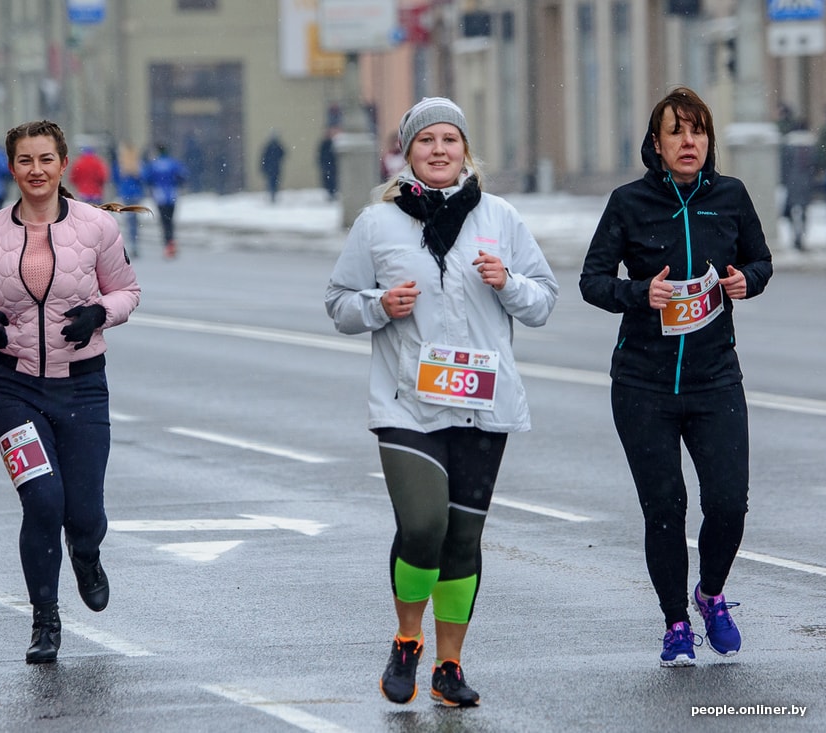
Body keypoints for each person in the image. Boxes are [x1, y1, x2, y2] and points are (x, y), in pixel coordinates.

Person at [325, 98, 558, 707]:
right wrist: (379, 305)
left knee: (463, 539)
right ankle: (408, 640)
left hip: (484, 401)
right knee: (424, 525)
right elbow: (339, 304)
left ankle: (449, 665)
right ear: (408, 153)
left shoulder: (500, 217)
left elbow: (543, 301)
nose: (438, 150)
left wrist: (508, 282)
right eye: (425, 140)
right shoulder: (377, 224)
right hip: (408, 403)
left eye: (449, 139)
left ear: (465, 151)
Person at [580, 87, 773, 668]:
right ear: (657, 144)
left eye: (698, 131)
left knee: (728, 504)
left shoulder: (731, 197)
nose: (688, 142)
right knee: (665, 505)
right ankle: (674, 624)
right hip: (643, 383)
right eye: (676, 132)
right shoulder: (629, 203)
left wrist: (747, 281)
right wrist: (642, 293)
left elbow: (761, 261)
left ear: (708, 142)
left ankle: (710, 594)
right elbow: (593, 280)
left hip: (715, 379)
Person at [0, 119, 142, 664]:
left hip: (83, 388)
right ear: (11, 168)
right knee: (42, 503)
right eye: (24, 161)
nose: (35, 170)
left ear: (63, 165)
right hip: (14, 387)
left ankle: (86, 553)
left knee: (82, 512)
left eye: (45, 159)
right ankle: (45, 620)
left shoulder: (96, 228)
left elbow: (128, 292)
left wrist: (99, 314)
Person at [142, 144, 187, 258]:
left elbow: (147, 178)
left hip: (160, 196)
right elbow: (183, 176)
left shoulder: (154, 165)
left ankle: (167, 244)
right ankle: (171, 242)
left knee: (163, 221)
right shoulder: (173, 163)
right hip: (172, 194)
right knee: (171, 220)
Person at [112, 140, 146, 258]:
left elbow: (115, 178)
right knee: (135, 219)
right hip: (136, 194)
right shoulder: (138, 164)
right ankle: (135, 242)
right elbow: (144, 178)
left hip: (126, 193)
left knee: (129, 219)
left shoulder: (121, 164)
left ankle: (131, 241)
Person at [260, 131, 285, 203]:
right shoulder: (269, 147)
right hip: (271, 169)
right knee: (272, 183)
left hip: (274, 168)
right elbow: (264, 158)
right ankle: (272, 195)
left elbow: (283, 154)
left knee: (274, 183)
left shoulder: (276, 147)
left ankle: (273, 195)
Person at [318, 127, 338, 200]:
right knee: (328, 180)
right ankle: (331, 193)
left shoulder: (333, 143)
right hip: (327, 165)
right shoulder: (325, 144)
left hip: (332, 166)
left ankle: (333, 193)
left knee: (332, 180)